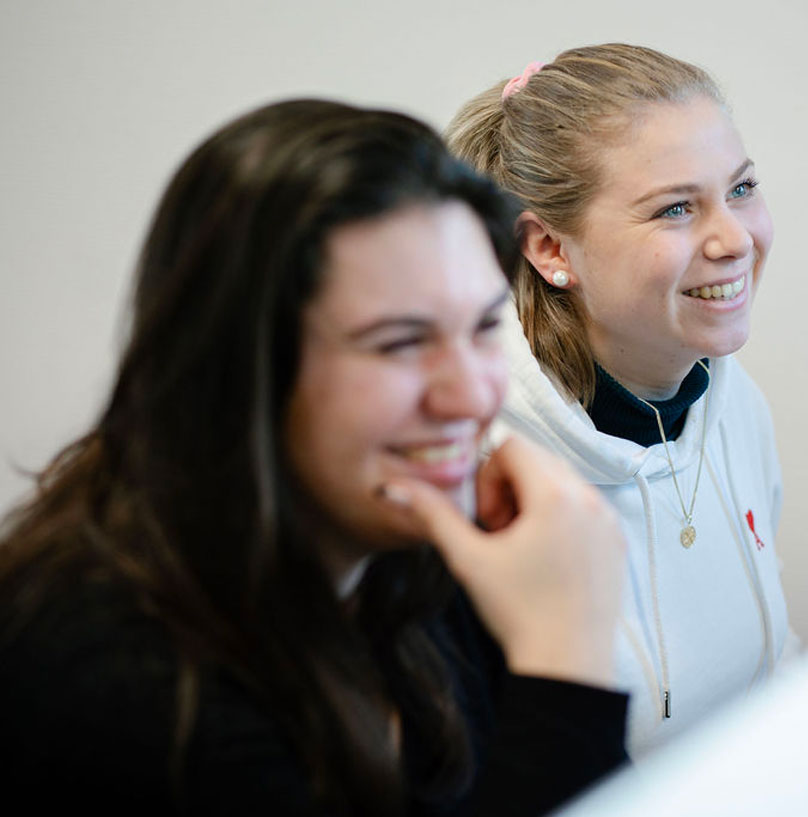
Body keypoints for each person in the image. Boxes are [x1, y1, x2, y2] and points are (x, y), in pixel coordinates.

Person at [0, 99, 629, 816]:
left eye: (485, 326)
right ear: (236, 371)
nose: (471, 395)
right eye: (398, 342)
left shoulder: (414, 553)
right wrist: (565, 666)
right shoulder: (113, 684)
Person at [446, 43, 799, 757]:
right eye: (675, 209)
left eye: (740, 189)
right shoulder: (479, 483)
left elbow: (773, 664)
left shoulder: (735, 407)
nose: (734, 238)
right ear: (549, 249)